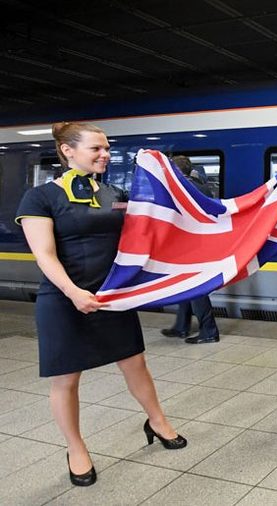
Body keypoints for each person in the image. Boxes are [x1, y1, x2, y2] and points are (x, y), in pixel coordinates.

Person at [16, 122, 187, 487]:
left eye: (107, 148)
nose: (105, 154)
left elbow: (139, 236)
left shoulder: (111, 193)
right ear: (68, 151)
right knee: (66, 378)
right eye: (96, 148)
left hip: (110, 296)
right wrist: (74, 292)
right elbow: (44, 255)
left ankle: (156, 420)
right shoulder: (41, 197)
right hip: (63, 299)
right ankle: (75, 447)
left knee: (135, 362)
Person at [160, 155, 221, 344]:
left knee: (195, 288)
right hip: (201, 243)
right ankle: (181, 326)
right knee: (185, 285)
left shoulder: (182, 188)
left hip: (188, 246)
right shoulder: (201, 186)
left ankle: (209, 330)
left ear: (176, 172)